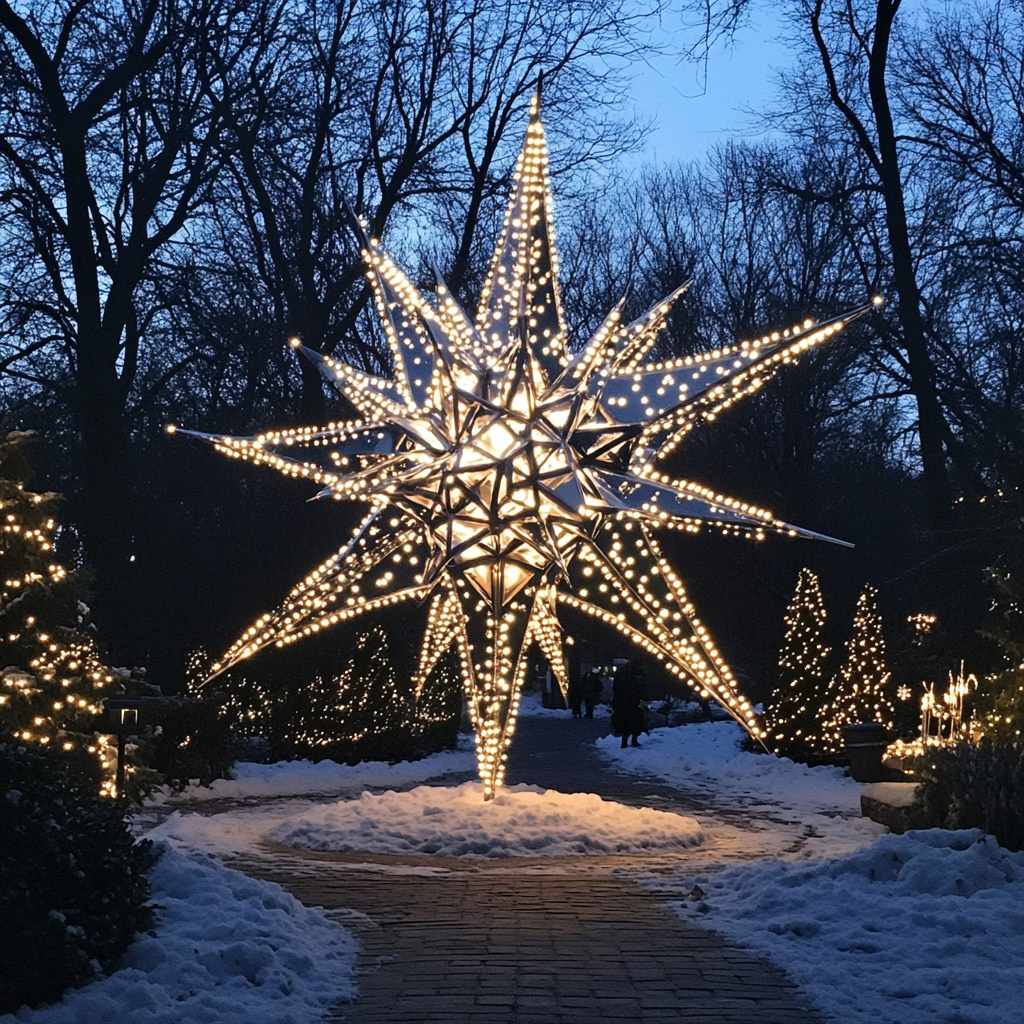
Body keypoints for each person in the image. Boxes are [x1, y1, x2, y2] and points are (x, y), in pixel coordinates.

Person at [611, 660, 648, 748]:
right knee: (629, 723)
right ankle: (628, 741)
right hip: (627, 704)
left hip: (629, 704)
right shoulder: (627, 679)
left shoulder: (625, 677)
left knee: (631, 723)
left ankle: (629, 740)